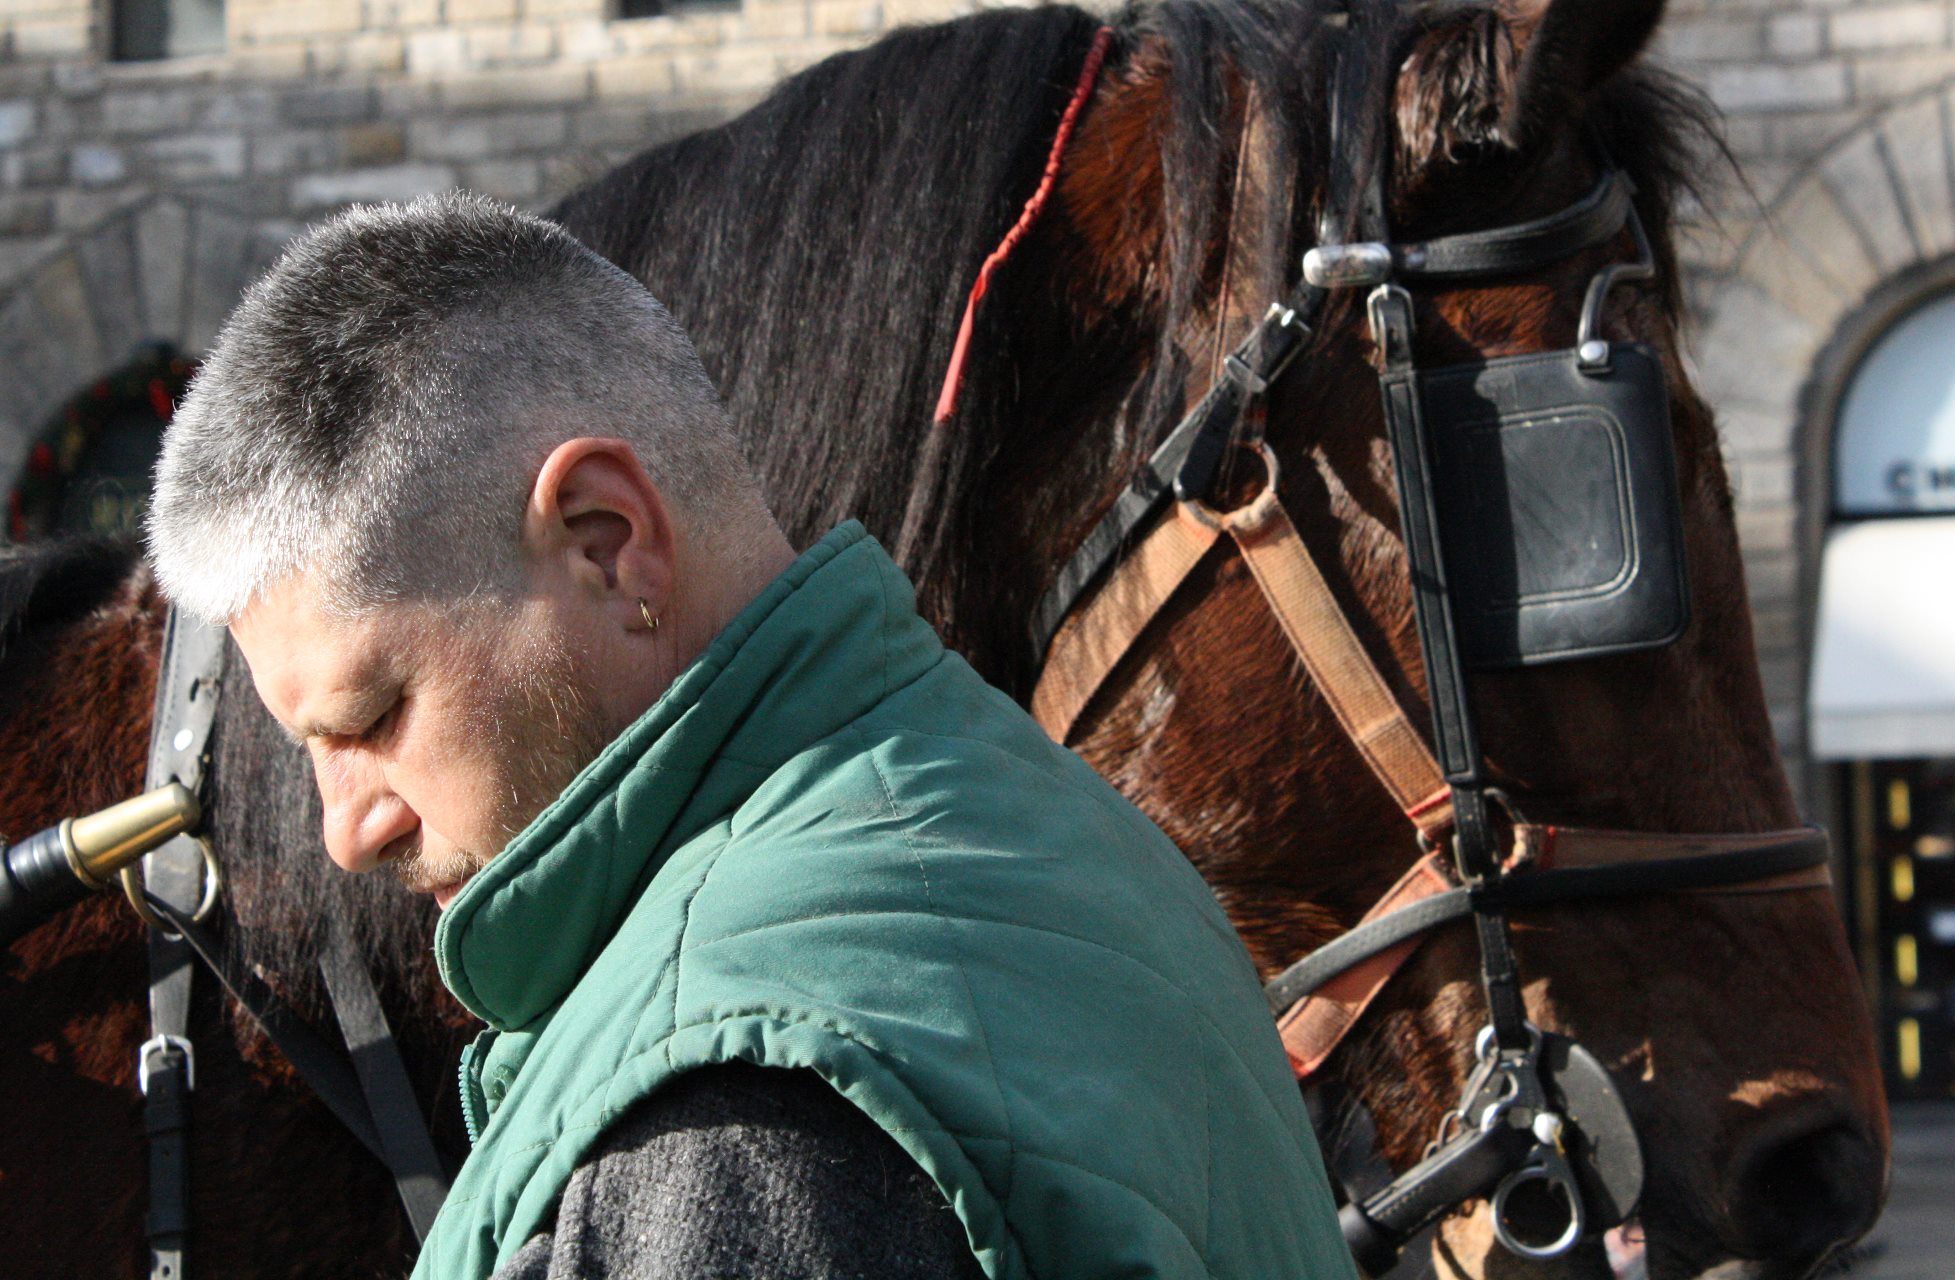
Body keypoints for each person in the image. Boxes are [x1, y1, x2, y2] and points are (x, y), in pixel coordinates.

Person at [145, 192, 1355, 1280]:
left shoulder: (729, 1103)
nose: (348, 828)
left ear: (606, 540)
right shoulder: (1028, 816)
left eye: (369, 718)